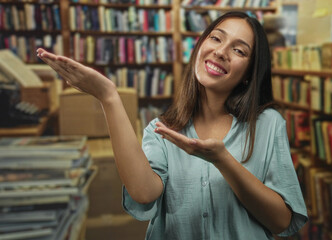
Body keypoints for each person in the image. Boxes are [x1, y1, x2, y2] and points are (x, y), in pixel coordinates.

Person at [37, 11, 307, 239]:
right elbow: (144, 193)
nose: (221, 52)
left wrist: (223, 159)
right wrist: (109, 97)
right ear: (200, 46)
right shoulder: (163, 129)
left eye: (239, 50)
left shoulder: (267, 124)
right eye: (215, 38)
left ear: (249, 74)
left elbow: (281, 221)